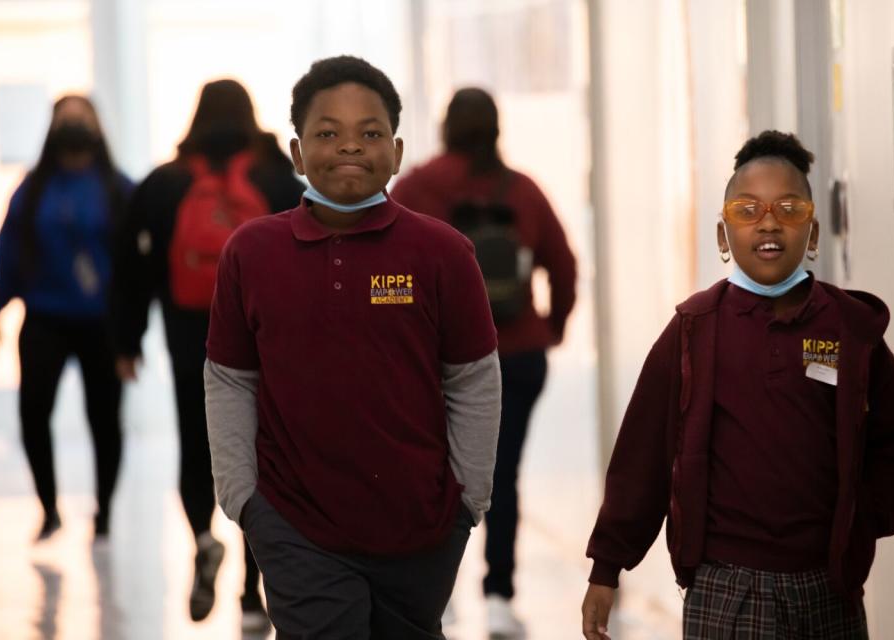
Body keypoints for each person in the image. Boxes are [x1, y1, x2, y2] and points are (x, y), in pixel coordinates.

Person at [581, 131, 894, 639]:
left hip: (827, 587)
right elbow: (642, 456)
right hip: (725, 590)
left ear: (811, 232)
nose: (768, 222)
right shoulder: (694, 330)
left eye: (788, 208)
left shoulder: (849, 329)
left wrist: (861, 524)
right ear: (724, 236)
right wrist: (607, 567)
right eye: (748, 210)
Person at [204, 55, 502, 639]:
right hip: (294, 523)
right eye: (327, 133)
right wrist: (244, 500)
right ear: (295, 153)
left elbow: (472, 379)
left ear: (395, 151)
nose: (349, 147)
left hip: (421, 527)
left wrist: (467, 502)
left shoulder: (442, 253)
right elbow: (230, 379)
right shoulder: (251, 252)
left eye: (369, 133)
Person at [111, 79, 304, 630]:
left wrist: (126, 343)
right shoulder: (276, 179)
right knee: (262, 455)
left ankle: (201, 538)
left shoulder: (163, 184)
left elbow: (129, 269)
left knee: (198, 444)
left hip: (191, 339)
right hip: (267, 340)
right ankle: (250, 591)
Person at [391, 87, 577, 636]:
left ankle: (435, 593)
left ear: (448, 127)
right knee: (502, 474)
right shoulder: (522, 191)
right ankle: (498, 596)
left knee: (430, 472)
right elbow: (563, 267)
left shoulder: (417, 186)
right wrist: (552, 329)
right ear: (496, 130)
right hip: (515, 352)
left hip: (434, 359)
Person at [0, 95, 132, 542]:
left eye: (81, 117)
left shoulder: (117, 187)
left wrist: (134, 328)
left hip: (102, 323)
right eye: (65, 118)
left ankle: (104, 511)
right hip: (45, 317)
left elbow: (134, 263)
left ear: (97, 126)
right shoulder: (32, 188)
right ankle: (48, 509)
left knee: (104, 418)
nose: (73, 124)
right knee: (33, 412)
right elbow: (8, 250)